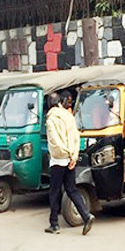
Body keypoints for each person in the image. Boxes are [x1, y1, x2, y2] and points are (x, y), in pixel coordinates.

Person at [44, 91, 95, 235]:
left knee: (54, 191)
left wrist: (65, 155)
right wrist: (73, 156)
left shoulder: (51, 119)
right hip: (70, 160)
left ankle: (54, 224)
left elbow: (55, 141)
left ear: (49, 104)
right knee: (71, 189)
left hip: (58, 160)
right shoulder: (68, 116)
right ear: (60, 102)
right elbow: (75, 138)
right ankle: (86, 215)